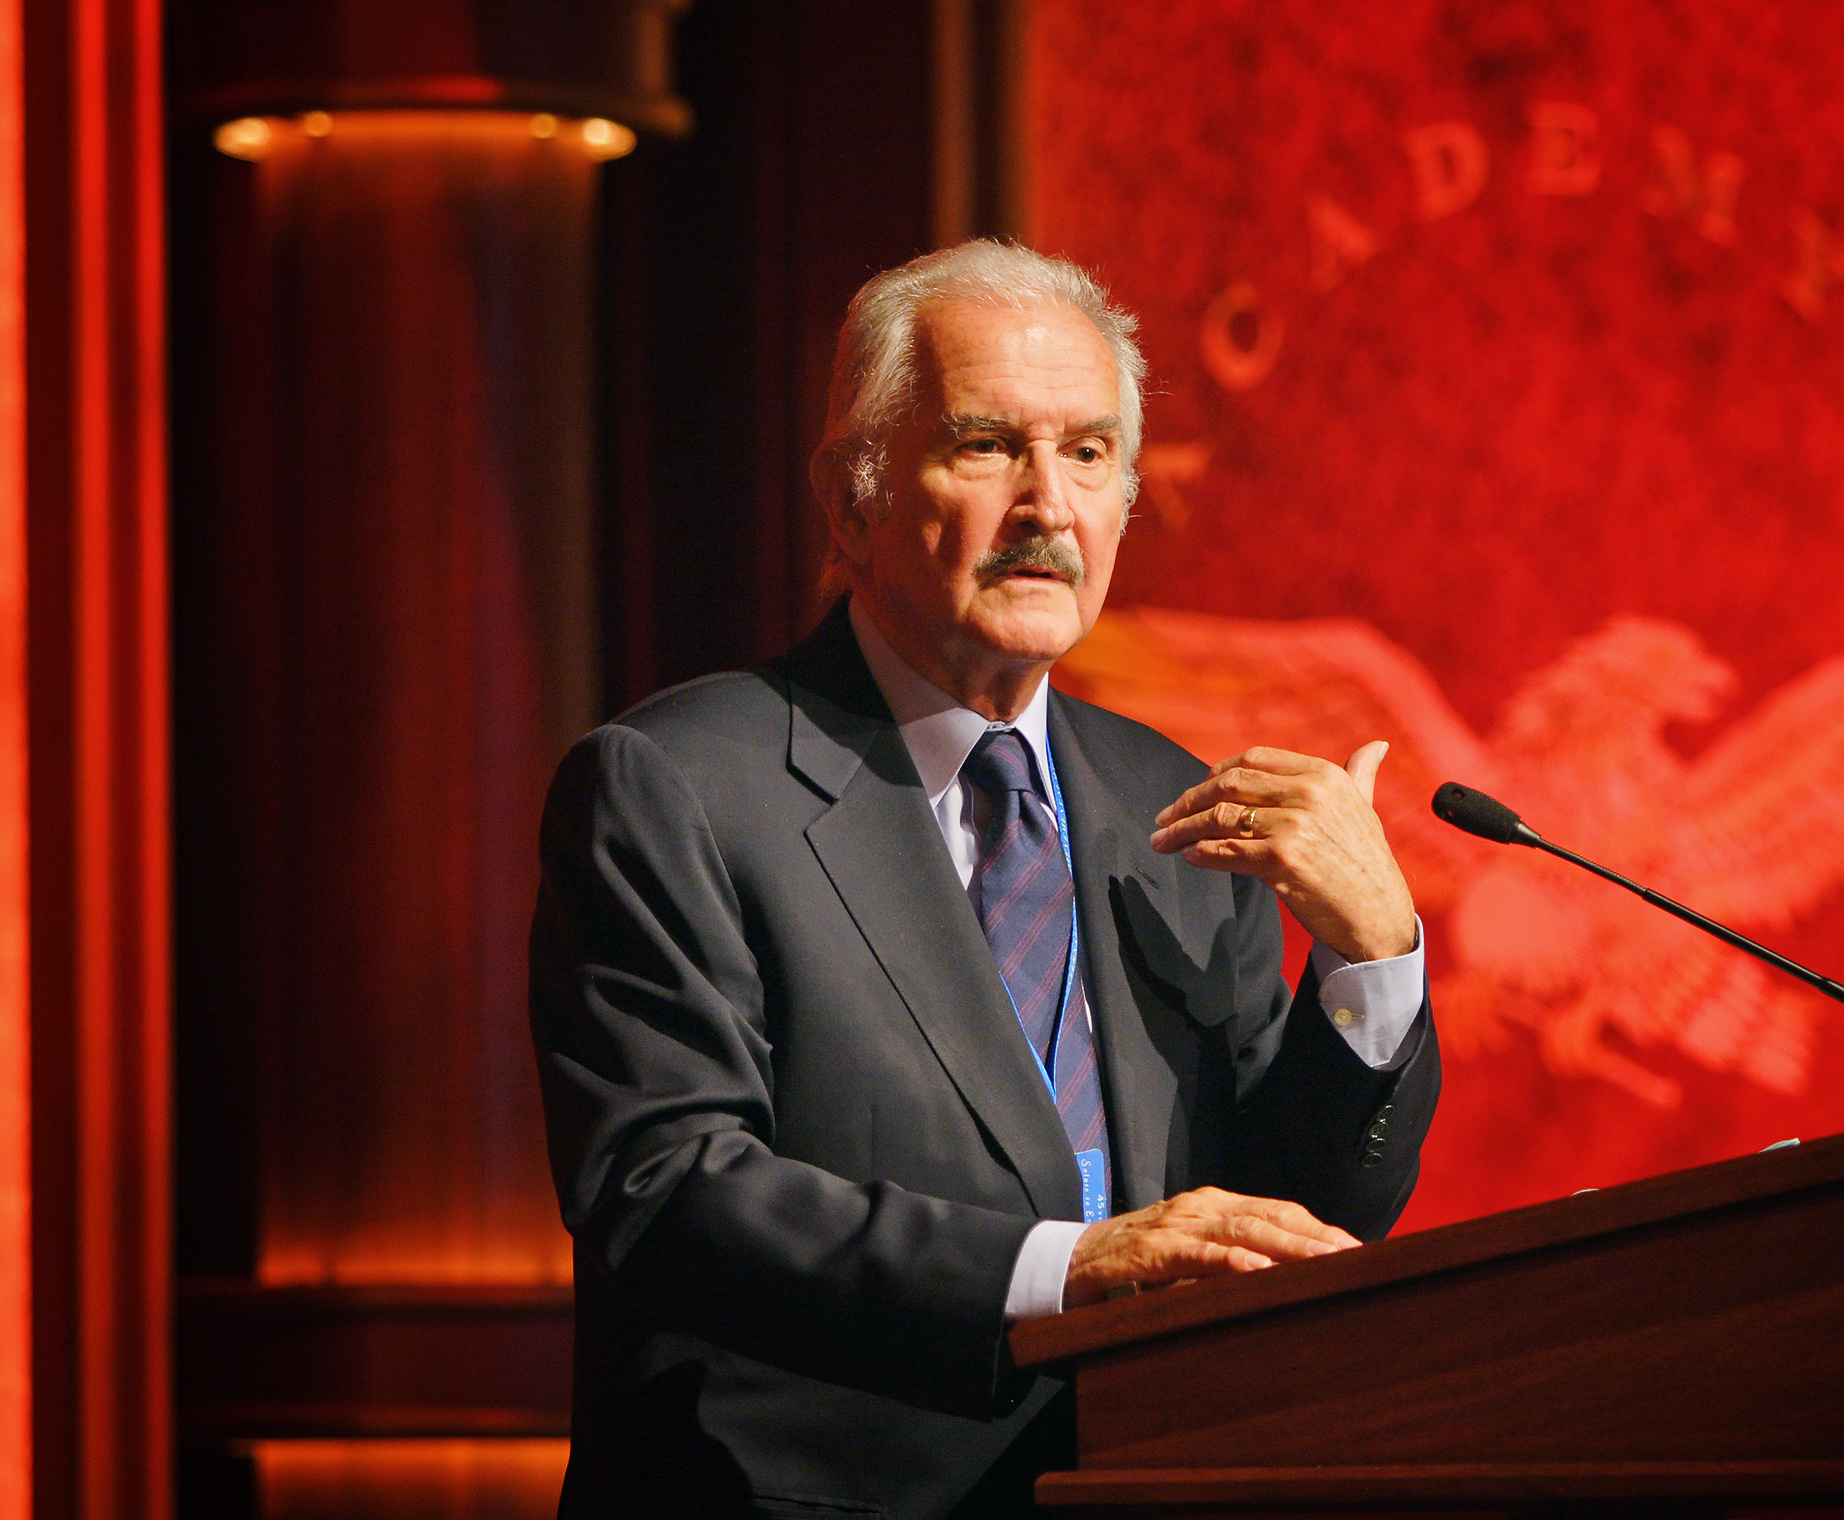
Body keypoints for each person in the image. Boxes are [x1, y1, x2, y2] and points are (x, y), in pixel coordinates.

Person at [530, 241, 1440, 1520]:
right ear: (851, 500)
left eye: (1087, 454)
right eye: (985, 445)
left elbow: (1282, 1228)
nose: (1047, 506)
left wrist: (1371, 960)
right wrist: (1062, 1269)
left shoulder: (1178, 801)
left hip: (1141, 1485)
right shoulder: (674, 786)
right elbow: (668, 1189)